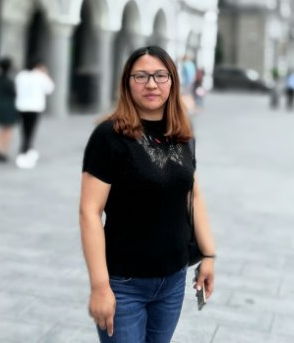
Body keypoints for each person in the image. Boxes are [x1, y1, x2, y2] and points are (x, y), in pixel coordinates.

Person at [79, 46, 215, 342]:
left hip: (174, 279)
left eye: (160, 75)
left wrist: (208, 255)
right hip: (124, 282)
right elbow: (89, 211)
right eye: (141, 76)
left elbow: (193, 195)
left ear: (172, 81)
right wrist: (100, 287)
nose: (151, 84)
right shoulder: (109, 136)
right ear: (127, 83)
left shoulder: (181, 131)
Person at [14, 58, 55, 169]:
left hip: (22, 106)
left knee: (24, 130)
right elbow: (50, 89)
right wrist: (45, 74)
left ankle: (27, 149)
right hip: (34, 107)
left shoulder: (21, 75)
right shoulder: (40, 76)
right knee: (30, 131)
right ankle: (25, 152)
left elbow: (17, 89)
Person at [0, 57, 18, 163]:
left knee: (2, 130)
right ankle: (3, 151)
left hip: (0, 107)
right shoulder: (8, 80)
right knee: (7, 130)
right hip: (8, 108)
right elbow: (14, 92)